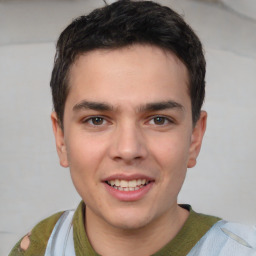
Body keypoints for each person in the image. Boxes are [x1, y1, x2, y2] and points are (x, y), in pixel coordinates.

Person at [9, 1, 256, 255]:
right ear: (61, 138)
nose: (128, 149)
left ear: (195, 137)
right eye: (97, 120)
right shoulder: (39, 247)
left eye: (158, 120)